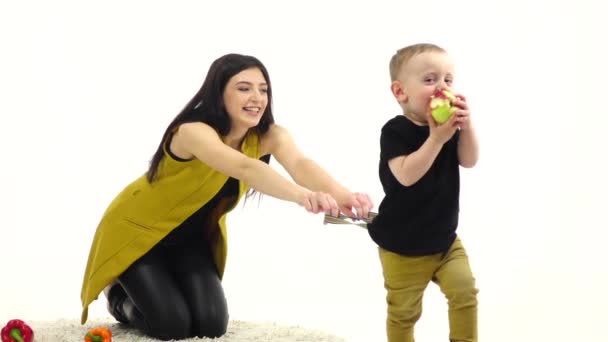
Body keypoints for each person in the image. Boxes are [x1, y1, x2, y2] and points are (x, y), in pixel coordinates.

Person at [79, 53, 373, 341]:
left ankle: (160, 288)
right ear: (218, 94)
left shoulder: (271, 135)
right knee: (172, 326)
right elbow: (243, 166)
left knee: (210, 326)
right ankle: (118, 296)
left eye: (263, 90)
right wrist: (303, 196)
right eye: (244, 88)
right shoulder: (192, 132)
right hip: (139, 235)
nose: (256, 98)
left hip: (190, 240)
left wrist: (344, 196)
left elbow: (300, 164)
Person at [366, 43, 480, 342]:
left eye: (448, 80)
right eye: (430, 80)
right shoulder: (395, 131)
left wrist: (465, 128)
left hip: (444, 240)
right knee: (404, 312)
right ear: (400, 92)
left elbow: (469, 160)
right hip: (401, 246)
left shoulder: (447, 128)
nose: (443, 87)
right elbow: (406, 176)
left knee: (465, 290)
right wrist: (436, 139)